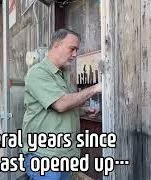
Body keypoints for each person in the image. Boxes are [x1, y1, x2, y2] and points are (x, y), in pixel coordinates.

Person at [22, 28, 102, 180]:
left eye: (77, 50)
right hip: (44, 157)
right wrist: (96, 88)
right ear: (56, 45)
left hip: (65, 155)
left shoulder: (63, 75)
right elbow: (60, 104)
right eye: (72, 49)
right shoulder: (38, 73)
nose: (75, 54)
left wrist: (85, 111)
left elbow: (65, 108)